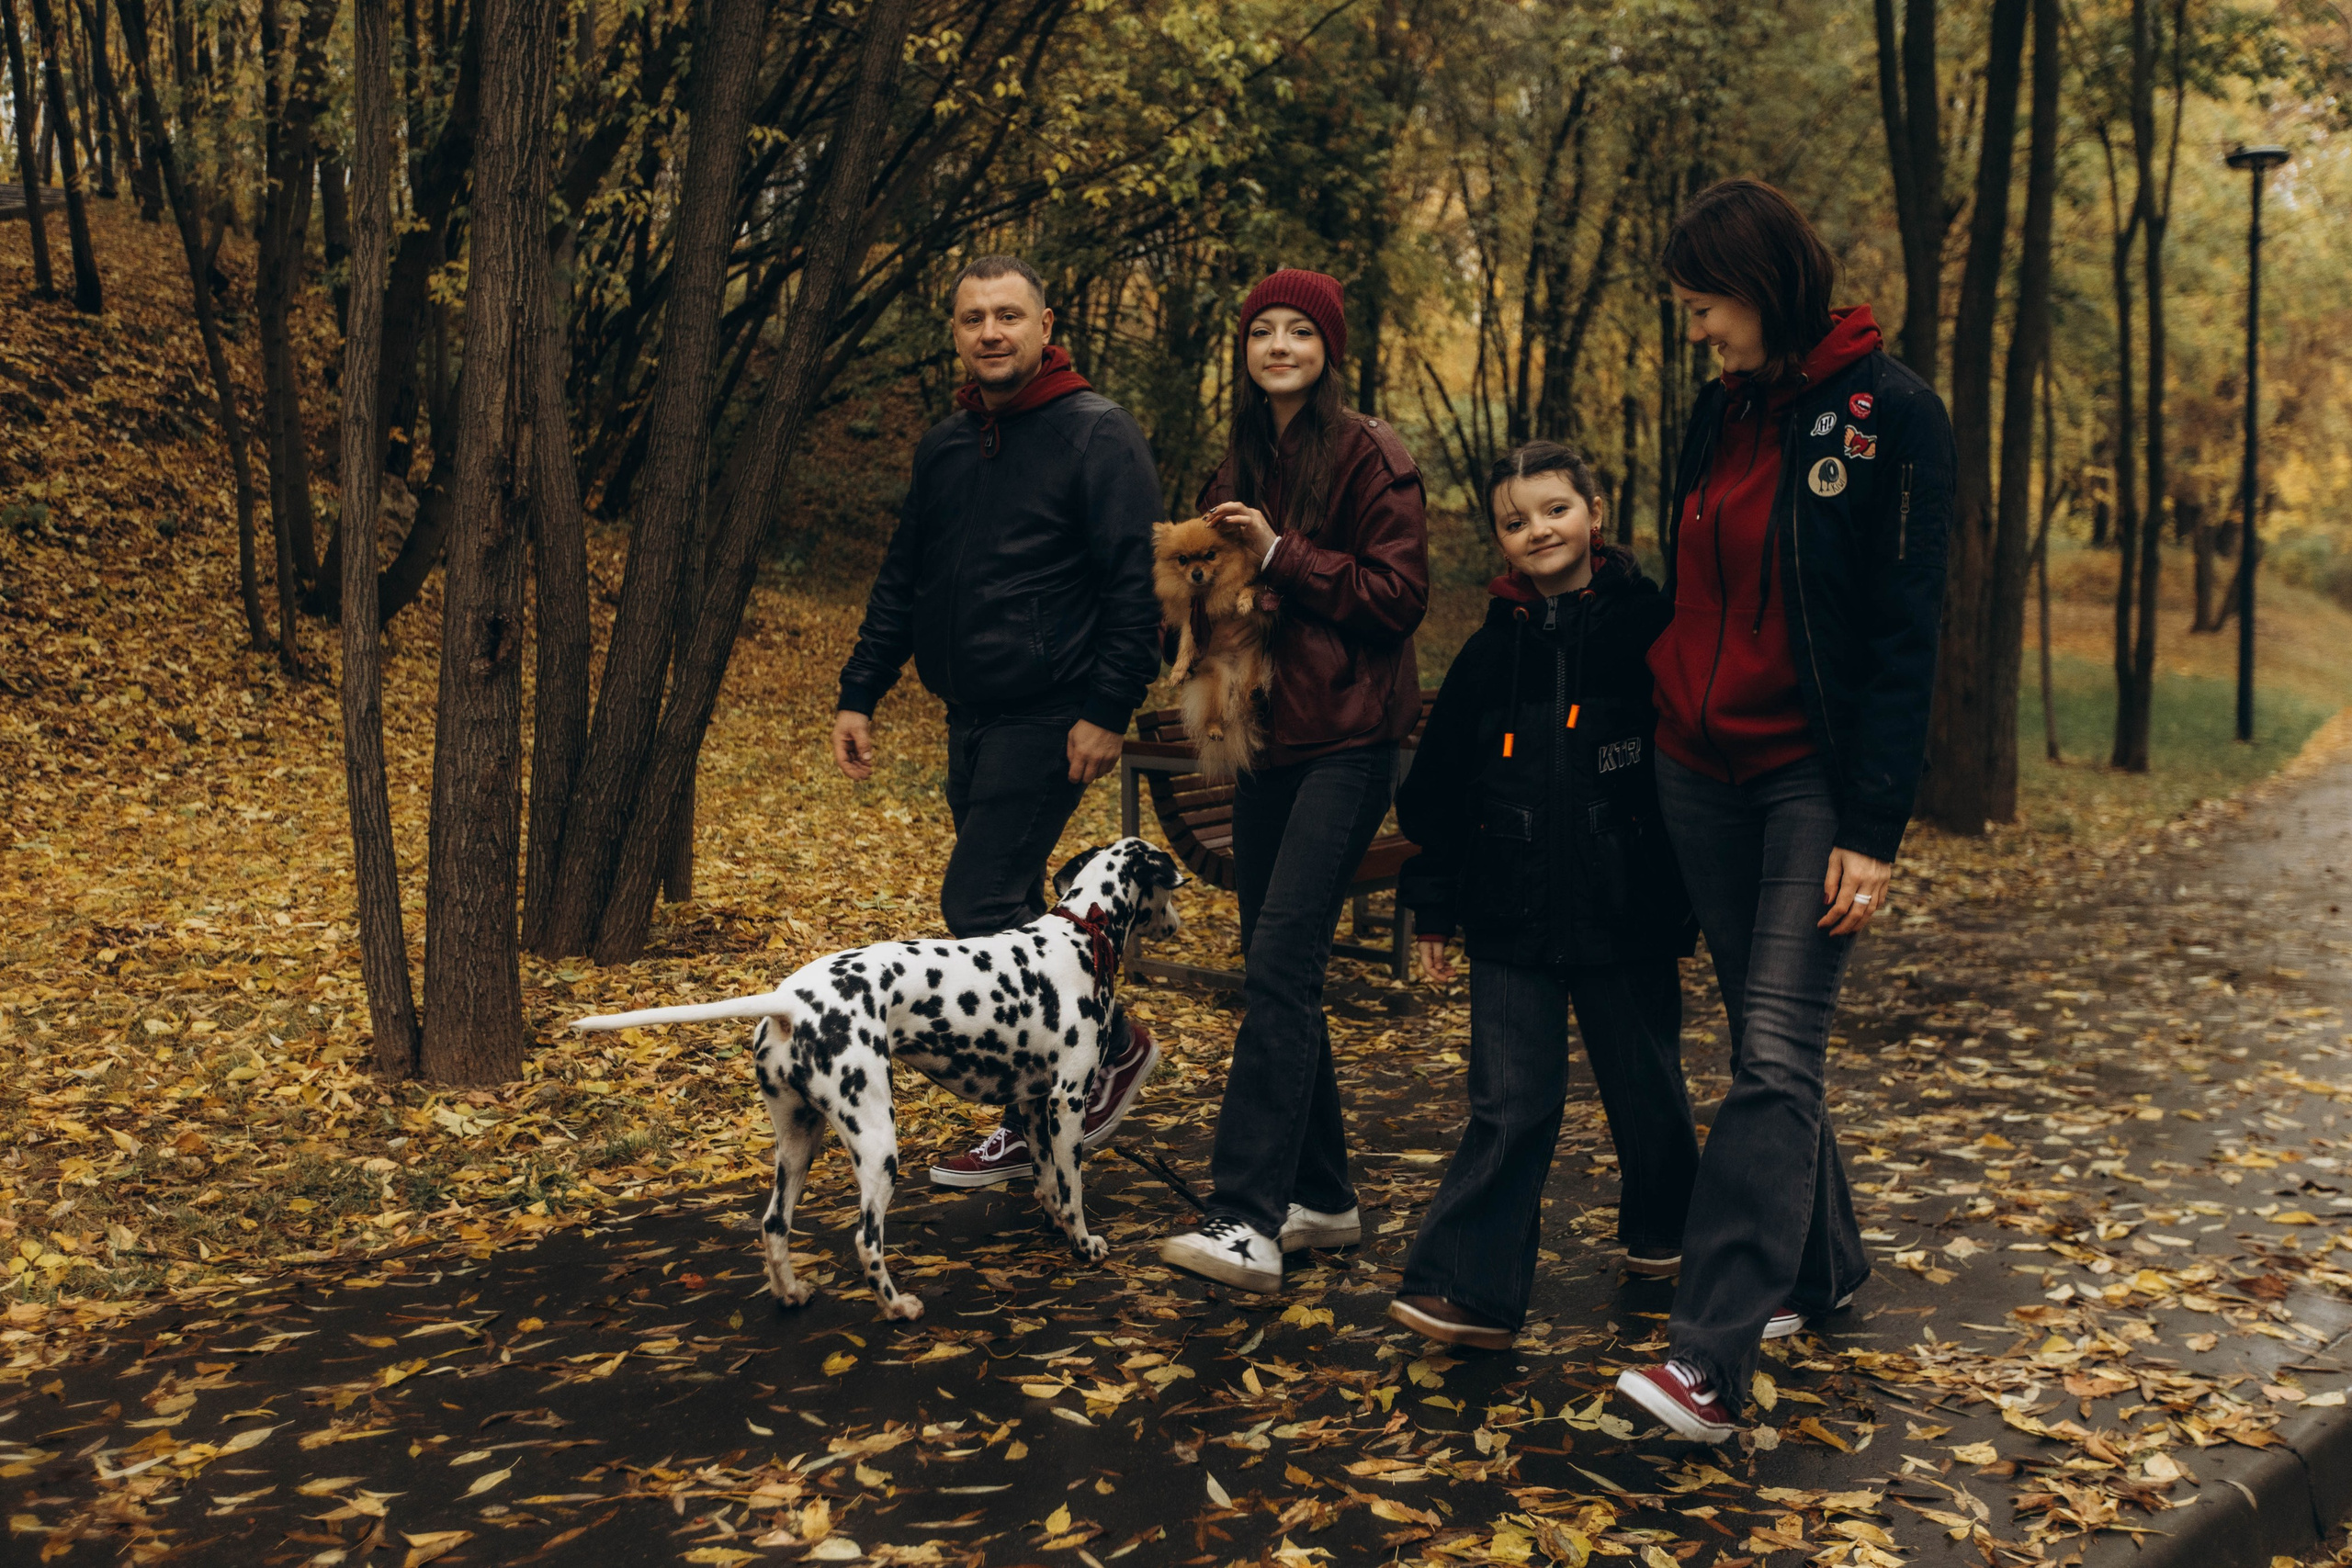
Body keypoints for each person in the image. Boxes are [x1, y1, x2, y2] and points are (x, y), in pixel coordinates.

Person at [1612, 179, 1952, 1441]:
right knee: (1768, 1051)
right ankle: (1818, 1265)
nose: (1698, 332)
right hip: (1697, 771)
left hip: (1814, 778)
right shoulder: (1719, 412)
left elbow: (1905, 638)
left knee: (1772, 1049)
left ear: (1761, 287)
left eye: (1706, 308)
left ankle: (1705, 1361)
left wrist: (1876, 825)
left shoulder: (1896, 415)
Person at [831, 255, 1165, 1190]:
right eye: (973, 317)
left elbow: (1137, 590)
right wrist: (861, 690)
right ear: (955, 331)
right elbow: (904, 580)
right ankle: (1040, 1113)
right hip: (968, 716)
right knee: (1009, 919)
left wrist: (1108, 710)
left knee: (978, 905)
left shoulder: (1096, 433)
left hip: (1051, 711)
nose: (990, 332)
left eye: (1007, 316)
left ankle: (1112, 1052)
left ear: (1044, 323)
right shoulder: (947, 445)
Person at [1385, 442, 1699, 1351]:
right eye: (1515, 521)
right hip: (1508, 914)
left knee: (1645, 1088)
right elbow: (1439, 795)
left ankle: (1667, 1230)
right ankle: (1468, 1288)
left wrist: (1692, 893)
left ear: (1595, 512)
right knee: (1508, 1101)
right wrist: (1434, 906)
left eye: (1554, 509)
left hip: (1625, 910)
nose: (1537, 531)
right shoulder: (1489, 654)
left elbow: (1689, 769)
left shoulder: (1651, 632)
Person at [1157, 268, 1430, 1294]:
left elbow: (1397, 596)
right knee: (1279, 967)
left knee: (1279, 964)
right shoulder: (1240, 454)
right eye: (1260, 330)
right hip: (1266, 739)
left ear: (1328, 349)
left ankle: (1245, 1217)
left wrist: (1279, 554)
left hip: (1353, 739)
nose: (1276, 345)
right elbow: (1212, 590)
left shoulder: (1372, 453)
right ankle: (1324, 1196)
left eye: (1296, 331)